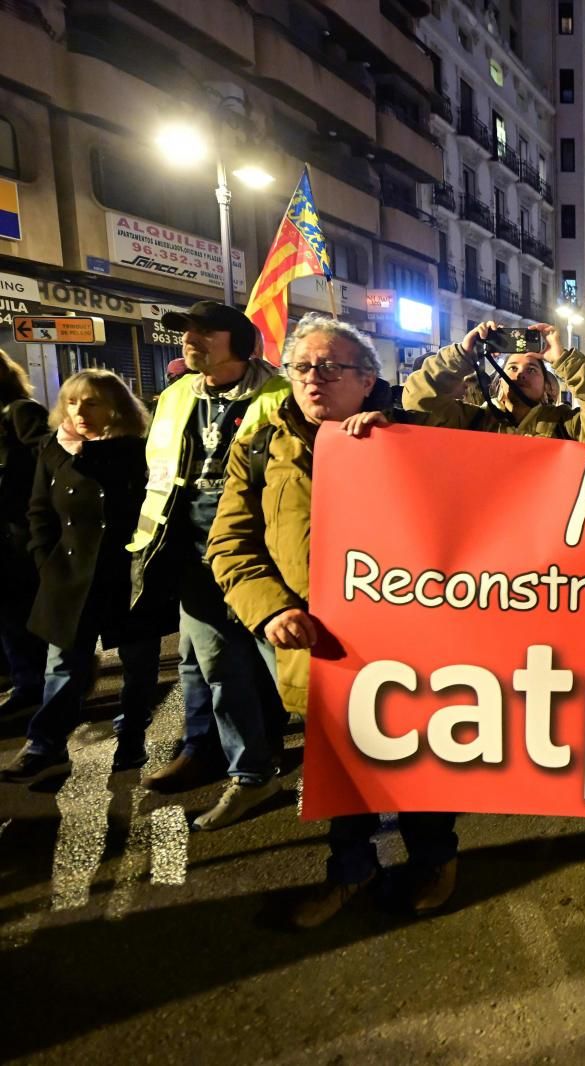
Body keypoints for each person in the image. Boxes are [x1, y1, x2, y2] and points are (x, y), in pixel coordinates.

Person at [209, 314, 459, 928]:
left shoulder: (413, 433)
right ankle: (352, 871)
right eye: (302, 367)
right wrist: (270, 608)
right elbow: (230, 542)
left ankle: (434, 860)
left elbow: (483, 497)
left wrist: (401, 439)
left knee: (422, 755)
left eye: (332, 367)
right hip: (319, 642)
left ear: (369, 380)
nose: (313, 379)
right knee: (343, 768)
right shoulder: (261, 441)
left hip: (411, 639)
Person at [132, 301, 288, 826]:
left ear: (239, 344)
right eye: (185, 332)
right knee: (220, 673)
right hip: (193, 563)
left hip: (262, 565)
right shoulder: (175, 396)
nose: (189, 340)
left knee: (295, 675)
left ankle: (354, 773)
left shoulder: (283, 396)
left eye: (203, 331)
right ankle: (250, 776)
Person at [0, 371, 160, 780]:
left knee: (138, 663)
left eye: (92, 403)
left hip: (128, 575)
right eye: (72, 402)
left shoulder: (140, 452)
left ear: (116, 408)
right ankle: (45, 744)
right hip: (70, 577)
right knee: (63, 665)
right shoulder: (56, 451)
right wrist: (45, 562)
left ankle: (132, 736)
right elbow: (40, 512)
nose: (80, 412)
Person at [402, 320, 585, 443]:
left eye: (532, 369)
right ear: (499, 383)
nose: (520, 374)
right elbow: (418, 400)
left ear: (547, 387)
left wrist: (563, 360)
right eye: (512, 368)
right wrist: (463, 354)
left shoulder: (565, 425)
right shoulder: (474, 421)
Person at [0, 351, 49, 717]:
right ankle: (23, 676)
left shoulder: (19, 411)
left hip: (18, 528)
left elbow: (49, 461)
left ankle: (35, 680)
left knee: (21, 607)